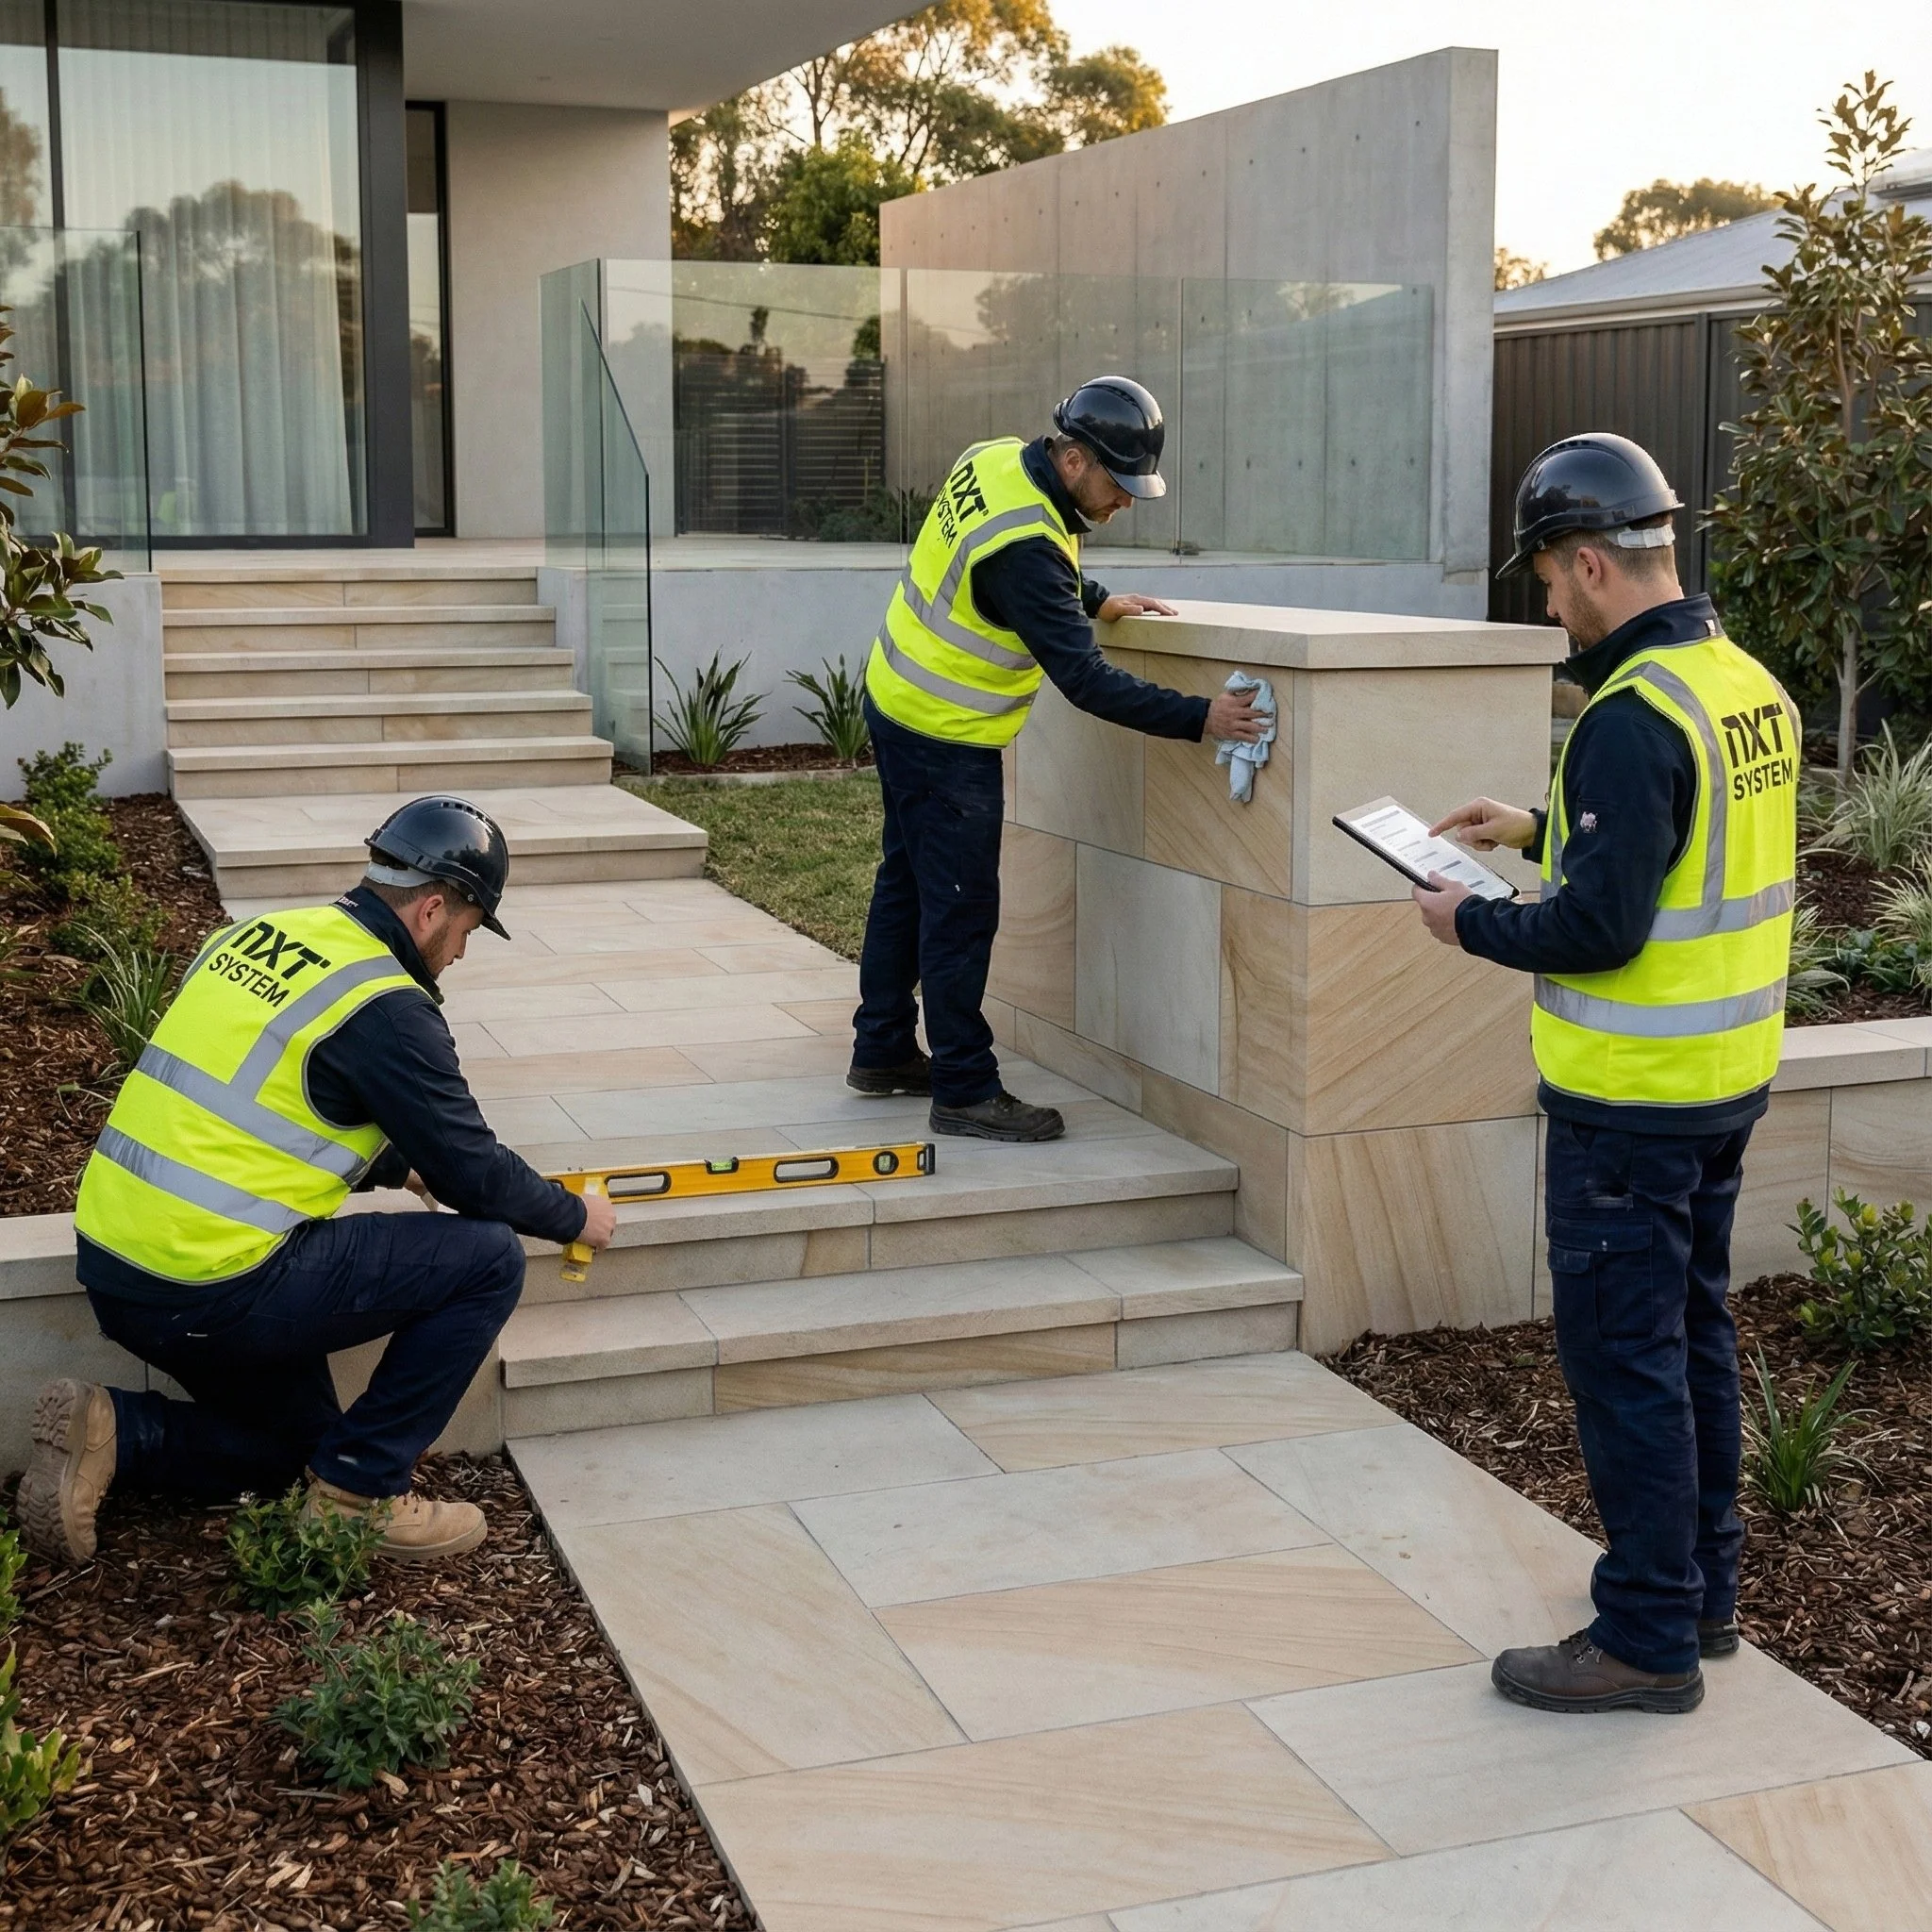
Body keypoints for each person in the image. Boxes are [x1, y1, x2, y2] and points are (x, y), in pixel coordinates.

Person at [1415, 433, 1798, 1714]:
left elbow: (1602, 927)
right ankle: (1701, 1595)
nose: (1545, 602)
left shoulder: (1634, 716)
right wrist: (1535, 829)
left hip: (1630, 1112)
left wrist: (1465, 920)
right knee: (1687, 1339)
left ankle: (1643, 1641)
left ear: (1590, 561)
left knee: (1627, 1365)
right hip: (1718, 1087)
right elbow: (1686, 849)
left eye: (1548, 578)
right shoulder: (1738, 682)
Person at [18, 796, 618, 1568]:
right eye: (469, 931)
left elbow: (249, 1101)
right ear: (434, 910)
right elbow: (478, 1175)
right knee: (490, 1258)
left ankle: (110, 1429)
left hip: (117, 1264)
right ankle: (366, 1497)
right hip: (213, 1283)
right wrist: (575, 1216)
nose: (462, 953)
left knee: (293, 1450)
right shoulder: (386, 1006)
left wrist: (397, 1165)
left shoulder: (263, 935)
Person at [851, 375, 1268, 1142]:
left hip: (896, 697)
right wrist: (1202, 716)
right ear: (1073, 460)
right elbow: (1084, 679)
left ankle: (880, 1048)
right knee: (958, 910)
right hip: (945, 735)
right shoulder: (1030, 553)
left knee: (907, 882)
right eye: (1119, 483)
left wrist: (1097, 595)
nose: (1127, 502)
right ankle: (965, 1087)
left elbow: (1026, 561)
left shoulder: (997, 459)